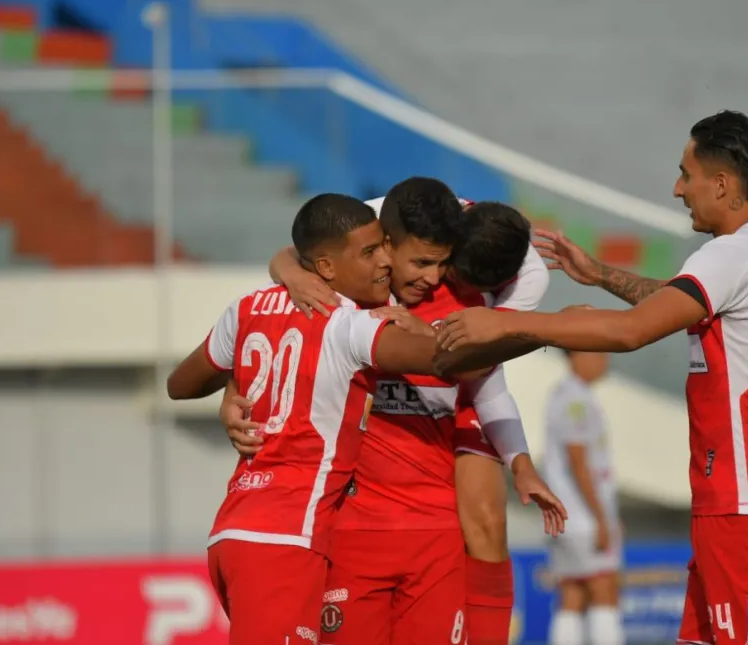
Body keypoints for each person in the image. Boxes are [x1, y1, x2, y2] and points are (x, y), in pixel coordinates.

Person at [437, 111, 748, 645]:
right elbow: (680, 299)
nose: (678, 188)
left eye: (687, 174)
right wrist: (600, 275)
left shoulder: (730, 255)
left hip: (745, 499)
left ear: (723, 183)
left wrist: (507, 323)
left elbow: (633, 331)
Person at [220, 178, 564, 645]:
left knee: (486, 515)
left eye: (447, 269)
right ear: (383, 244)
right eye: (426, 263)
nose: (438, 280)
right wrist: (235, 387)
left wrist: (521, 463)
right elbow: (291, 268)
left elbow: (482, 371)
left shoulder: (520, 281)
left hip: (455, 389)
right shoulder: (368, 243)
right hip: (363, 494)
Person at [165, 193, 478, 645]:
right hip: (284, 537)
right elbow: (452, 361)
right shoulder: (347, 324)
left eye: (384, 247)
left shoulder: (246, 308)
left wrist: (239, 385)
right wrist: (535, 330)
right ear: (327, 268)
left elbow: (180, 384)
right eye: (370, 252)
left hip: (237, 530)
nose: (385, 262)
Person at [545, 350, 623, 645]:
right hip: (584, 517)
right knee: (604, 589)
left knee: (572, 593)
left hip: (568, 516)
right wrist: (602, 518)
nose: (606, 359)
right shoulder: (575, 399)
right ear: (577, 355)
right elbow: (578, 460)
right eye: (599, 353)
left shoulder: (565, 395)